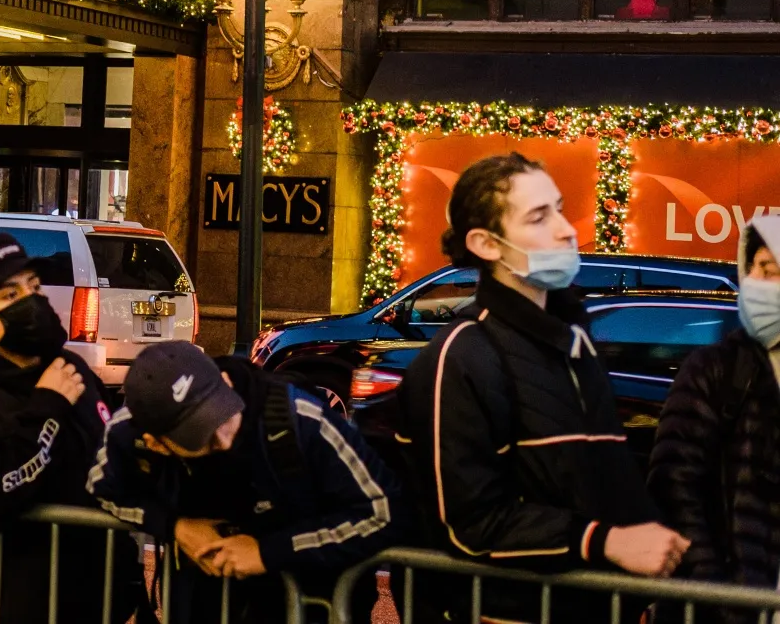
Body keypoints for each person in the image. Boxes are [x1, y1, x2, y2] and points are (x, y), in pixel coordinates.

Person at [400, 153, 687, 622]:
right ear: (485, 244)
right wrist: (603, 541)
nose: (566, 229)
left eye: (558, 208)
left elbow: (602, 479)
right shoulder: (461, 356)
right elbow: (468, 524)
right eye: (539, 217)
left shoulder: (575, 344)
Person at [0, 233, 143, 624]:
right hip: (8, 606)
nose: (30, 301)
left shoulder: (73, 370)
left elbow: (114, 468)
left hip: (98, 602)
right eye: (8, 296)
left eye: (33, 287)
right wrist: (48, 409)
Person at [90, 340, 399, 623]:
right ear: (156, 443)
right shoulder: (128, 433)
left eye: (221, 415)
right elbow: (101, 488)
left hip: (311, 601)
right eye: (202, 438)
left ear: (224, 382)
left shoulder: (300, 419)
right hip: (206, 602)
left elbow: (386, 511)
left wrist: (269, 552)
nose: (223, 441)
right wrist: (175, 526)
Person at [649, 214, 780, 621]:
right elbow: (674, 484)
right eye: (766, 270)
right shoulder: (716, 368)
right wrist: (715, 589)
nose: (771, 285)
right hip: (735, 605)